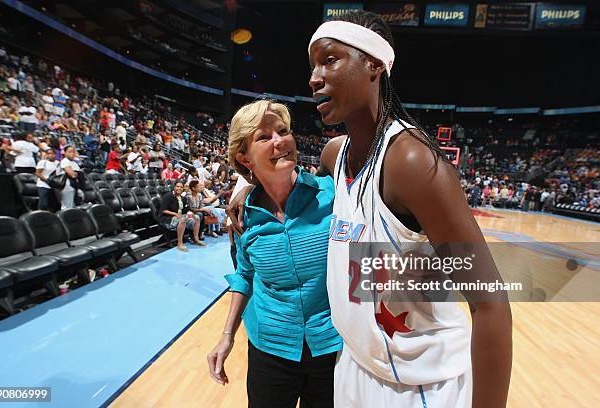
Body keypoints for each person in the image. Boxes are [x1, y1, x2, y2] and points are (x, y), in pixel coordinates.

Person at [306, 11, 511, 407]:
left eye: (329, 60)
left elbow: (491, 304)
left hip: (418, 385)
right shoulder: (335, 154)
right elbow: (306, 182)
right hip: (353, 366)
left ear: (374, 65)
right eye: (313, 65)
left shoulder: (411, 162)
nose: (314, 77)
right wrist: (250, 185)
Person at [208, 100, 342, 407]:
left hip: (330, 347)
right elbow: (245, 275)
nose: (279, 141)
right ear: (244, 157)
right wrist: (227, 334)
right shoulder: (244, 218)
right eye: (263, 137)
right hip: (270, 349)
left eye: (283, 131)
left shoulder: (333, 195)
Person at [159, 181, 205, 251]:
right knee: (183, 219)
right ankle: (180, 243)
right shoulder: (168, 196)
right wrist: (175, 214)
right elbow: (163, 210)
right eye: (177, 186)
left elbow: (186, 209)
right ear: (174, 187)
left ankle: (196, 239)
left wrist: (191, 213)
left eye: (181, 187)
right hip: (168, 218)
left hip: (180, 216)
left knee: (197, 217)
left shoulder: (183, 197)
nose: (179, 188)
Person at [59, 145, 81, 209]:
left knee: (73, 206)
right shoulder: (65, 161)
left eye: (73, 152)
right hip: (67, 186)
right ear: (65, 153)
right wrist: (77, 174)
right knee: (67, 207)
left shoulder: (74, 163)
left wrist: (77, 174)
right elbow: (72, 174)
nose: (72, 153)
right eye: (69, 152)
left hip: (74, 185)